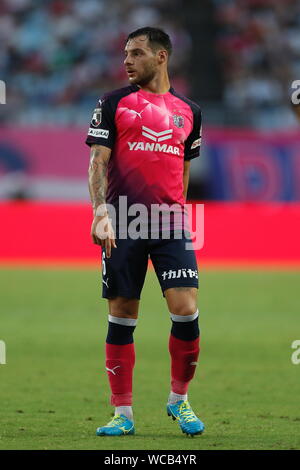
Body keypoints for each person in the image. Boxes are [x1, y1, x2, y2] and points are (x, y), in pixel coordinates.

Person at [86, 26, 204, 437]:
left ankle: (180, 399)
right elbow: (98, 161)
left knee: (186, 308)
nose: (127, 61)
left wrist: (180, 213)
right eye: (124, 54)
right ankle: (123, 413)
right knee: (122, 314)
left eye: (135, 53)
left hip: (170, 223)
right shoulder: (113, 102)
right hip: (122, 220)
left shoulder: (190, 111)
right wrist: (100, 210)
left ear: (161, 57)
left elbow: (185, 170)